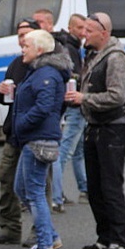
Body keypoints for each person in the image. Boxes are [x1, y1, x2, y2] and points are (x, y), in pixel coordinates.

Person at [66, 12, 125, 249]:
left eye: (89, 31)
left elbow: (118, 96)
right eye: (83, 30)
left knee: (111, 184)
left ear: (104, 33)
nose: (84, 34)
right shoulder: (92, 54)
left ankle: (119, 241)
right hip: (93, 124)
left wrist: (85, 98)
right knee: (94, 186)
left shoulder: (116, 57)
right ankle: (104, 237)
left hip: (113, 127)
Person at [13, 29, 72, 249]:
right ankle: (52, 236)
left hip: (39, 139)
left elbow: (45, 105)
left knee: (35, 191)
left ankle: (44, 245)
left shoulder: (46, 73)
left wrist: (22, 123)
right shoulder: (37, 71)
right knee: (21, 188)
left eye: (26, 45)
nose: (22, 49)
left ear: (39, 50)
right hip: (32, 137)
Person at [0, 18, 41, 245]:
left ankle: (40, 232)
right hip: (14, 132)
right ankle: (9, 227)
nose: (22, 40)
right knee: (6, 179)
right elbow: (8, 99)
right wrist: (2, 92)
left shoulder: (45, 65)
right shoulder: (17, 63)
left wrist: (18, 93)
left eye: (26, 35)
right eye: (19, 35)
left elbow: (45, 101)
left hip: (36, 135)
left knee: (37, 186)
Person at [51, 14, 89, 212]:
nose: (84, 33)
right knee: (64, 153)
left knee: (79, 150)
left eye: (86, 28)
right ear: (70, 28)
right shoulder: (70, 48)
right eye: (80, 28)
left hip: (77, 106)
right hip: (76, 106)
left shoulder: (75, 47)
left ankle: (84, 189)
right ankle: (56, 198)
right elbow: (74, 77)